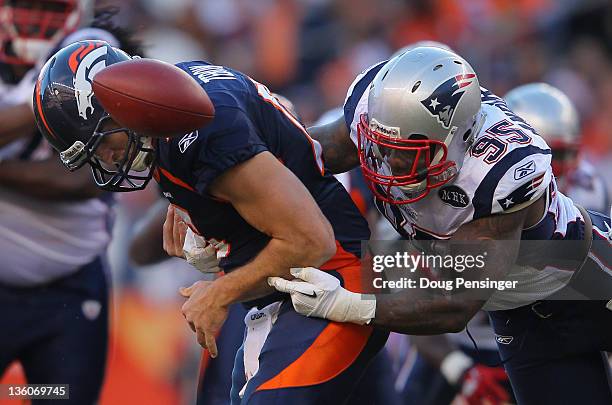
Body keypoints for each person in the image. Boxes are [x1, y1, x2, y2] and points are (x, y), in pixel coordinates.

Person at [33, 40, 387, 404]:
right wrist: (206, 221)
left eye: (103, 143)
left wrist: (220, 293)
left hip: (331, 282)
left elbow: (312, 240)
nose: (107, 159)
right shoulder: (168, 107)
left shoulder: (201, 132)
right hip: (292, 293)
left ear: (120, 103)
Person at [269, 46, 612, 404]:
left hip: (592, 284)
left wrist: (347, 304)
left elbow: (455, 302)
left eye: (411, 150)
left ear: (458, 140)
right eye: (384, 146)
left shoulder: (497, 174)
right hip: (526, 320)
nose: (392, 161)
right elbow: (310, 152)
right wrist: (223, 199)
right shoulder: (375, 114)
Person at [0, 2, 139, 404]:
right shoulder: (77, 72)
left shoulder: (91, 50)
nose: (32, 15)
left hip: (69, 289)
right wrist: (47, 98)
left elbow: (84, 179)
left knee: (59, 396)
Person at [505, 82, 609, 213]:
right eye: (552, 154)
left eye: (563, 153)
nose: (567, 162)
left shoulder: (588, 187)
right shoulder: (485, 180)